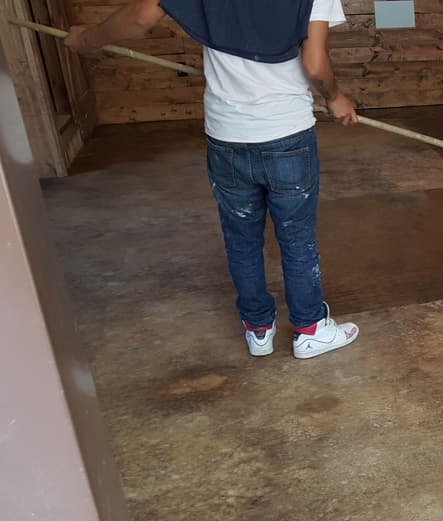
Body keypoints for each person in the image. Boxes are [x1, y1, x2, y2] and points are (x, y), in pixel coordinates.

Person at [67, 0, 360, 360]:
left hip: (226, 137)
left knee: (241, 240)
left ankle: (258, 329)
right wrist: (335, 97)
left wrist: (86, 41)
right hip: (286, 133)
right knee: (297, 240)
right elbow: (314, 64)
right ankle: (311, 329)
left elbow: (140, 17)